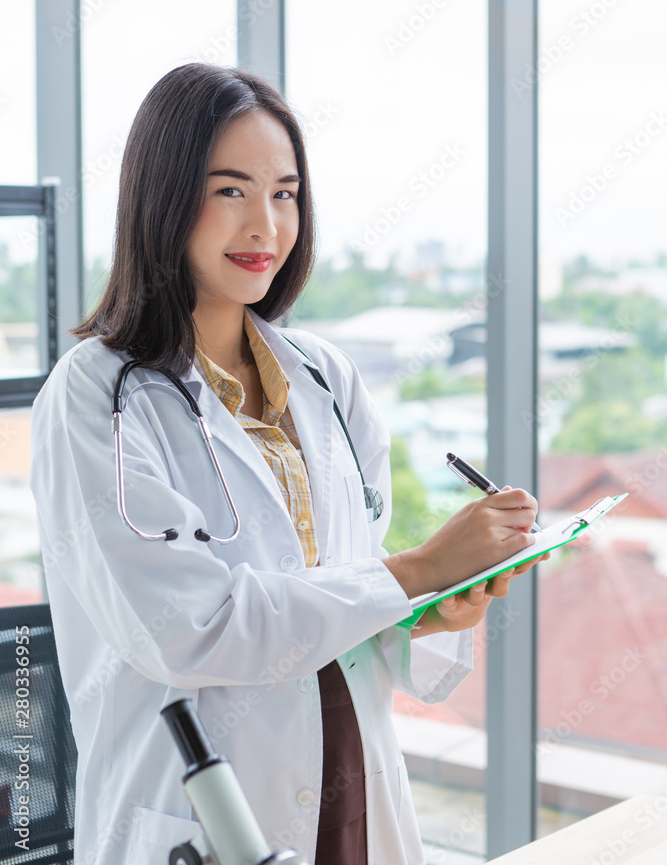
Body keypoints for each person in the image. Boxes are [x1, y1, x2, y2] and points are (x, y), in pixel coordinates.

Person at [30, 63, 543, 865]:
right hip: (199, 812)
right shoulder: (98, 395)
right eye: (230, 190)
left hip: (353, 786)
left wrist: (440, 608)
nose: (264, 224)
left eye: (285, 192)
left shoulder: (324, 378)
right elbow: (185, 631)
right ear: (161, 198)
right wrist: (414, 572)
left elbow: (350, 595)